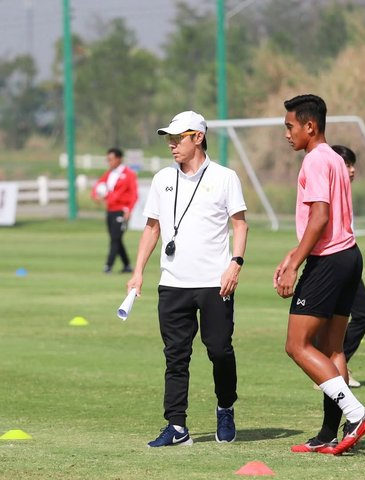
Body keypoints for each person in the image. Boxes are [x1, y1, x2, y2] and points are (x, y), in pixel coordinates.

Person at [127, 110, 248, 448]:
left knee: (219, 351)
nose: (171, 144)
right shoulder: (162, 179)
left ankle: (225, 407)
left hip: (215, 282)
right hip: (173, 284)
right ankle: (176, 426)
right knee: (175, 356)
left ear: (198, 137)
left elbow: (240, 224)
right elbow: (152, 228)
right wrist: (138, 272)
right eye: (169, 138)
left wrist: (235, 263)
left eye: (178, 138)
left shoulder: (225, 177)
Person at [273, 94, 365, 455]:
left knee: (296, 345)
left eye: (290, 126)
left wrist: (296, 263)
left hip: (328, 261)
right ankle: (329, 433)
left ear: (309, 126)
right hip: (349, 256)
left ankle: (356, 413)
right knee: (333, 348)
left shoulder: (316, 161)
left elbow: (319, 217)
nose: (287, 134)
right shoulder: (334, 157)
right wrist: (294, 252)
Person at [331, 144, 365, 389]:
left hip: (347, 261)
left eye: (353, 164)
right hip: (335, 261)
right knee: (363, 314)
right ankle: (332, 368)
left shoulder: (344, 193)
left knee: (353, 316)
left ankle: (335, 367)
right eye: (347, 164)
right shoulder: (329, 192)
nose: (353, 170)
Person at [91, 147, 138, 274]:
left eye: (111, 159)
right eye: (108, 160)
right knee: (115, 238)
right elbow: (98, 186)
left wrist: (129, 209)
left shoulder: (129, 174)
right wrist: (96, 195)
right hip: (110, 210)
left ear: (119, 159)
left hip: (121, 211)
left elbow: (134, 194)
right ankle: (127, 265)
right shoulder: (109, 174)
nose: (109, 162)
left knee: (115, 238)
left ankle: (108, 266)